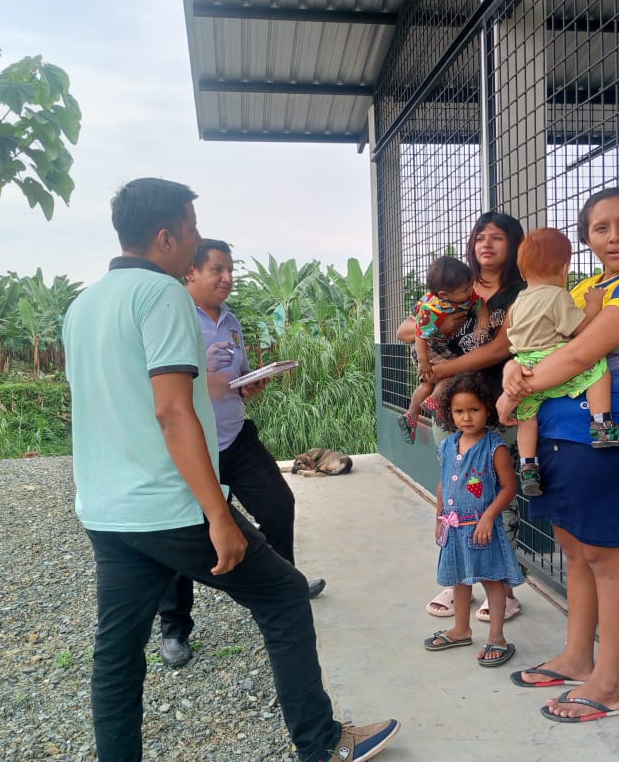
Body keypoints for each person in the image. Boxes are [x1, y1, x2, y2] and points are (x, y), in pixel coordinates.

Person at [63, 177, 399, 762]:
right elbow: (172, 412)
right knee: (285, 595)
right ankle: (321, 743)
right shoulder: (163, 295)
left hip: (106, 509)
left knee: (116, 653)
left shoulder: (83, 305)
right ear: (165, 237)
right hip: (168, 505)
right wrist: (218, 514)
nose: (197, 240)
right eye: (191, 228)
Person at [500, 187, 619, 724]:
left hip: (604, 442)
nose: (614, 237)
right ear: (585, 240)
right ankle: (577, 658)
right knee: (573, 550)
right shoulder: (581, 288)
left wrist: (512, 393)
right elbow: (534, 346)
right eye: (601, 227)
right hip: (555, 437)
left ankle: (610, 685)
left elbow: (577, 354)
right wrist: (514, 368)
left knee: (606, 560)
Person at [156, 238, 326, 668]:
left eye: (230, 269)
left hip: (234, 436)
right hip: (192, 445)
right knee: (182, 530)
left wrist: (250, 382)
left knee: (278, 505)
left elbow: (236, 373)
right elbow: (160, 385)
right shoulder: (173, 315)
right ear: (191, 272)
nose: (227, 278)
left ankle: (284, 587)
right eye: (217, 269)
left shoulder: (230, 319)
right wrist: (202, 373)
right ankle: (174, 627)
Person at [396, 212, 525, 624]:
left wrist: (439, 370)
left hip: (498, 404)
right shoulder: (451, 285)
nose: (486, 243)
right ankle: (459, 581)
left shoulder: (519, 293)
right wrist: (439, 325)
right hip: (451, 409)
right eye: (480, 236)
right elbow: (405, 329)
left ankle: (502, 587)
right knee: (455, 487)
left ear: (514, 244)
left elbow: (499, 349)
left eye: (497, 237)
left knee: (497, 490)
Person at [504, 228, 619, 498]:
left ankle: (528, 466)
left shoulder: (518, 301)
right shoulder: (557, 296)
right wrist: (594, 304)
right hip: (552, 360)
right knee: (598, 366)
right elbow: (580, 329)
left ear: (523, 271)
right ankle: (602, 425)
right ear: (564, 268)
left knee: (527, 419)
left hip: (525, 364)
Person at [422, 373, 523, 667]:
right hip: (454, 528)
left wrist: (489, 517)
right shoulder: (447, 446)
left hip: (482, 530)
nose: (466, 417)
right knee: (459, 579)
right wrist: (439, 519)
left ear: (487, 409)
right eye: (459, 411)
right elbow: (443, 484)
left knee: (492, 581)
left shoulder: (495, 448)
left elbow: (509, 487)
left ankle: (497, 638)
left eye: (474, 410)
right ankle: (461, 630)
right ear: (449, 413)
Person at [397, 255, 488, 444]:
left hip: (435, 345)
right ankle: (434, 401)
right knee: (453, 373)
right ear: (445, 295)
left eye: (470, 285)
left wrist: (482, 326)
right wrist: (424, 362)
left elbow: (480, 305)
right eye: (466, 289)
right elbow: (420, 335)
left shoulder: (464, 294)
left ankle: (411, 415)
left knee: (427, 384)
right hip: (428, 347)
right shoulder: (432, 308)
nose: (470, 290)